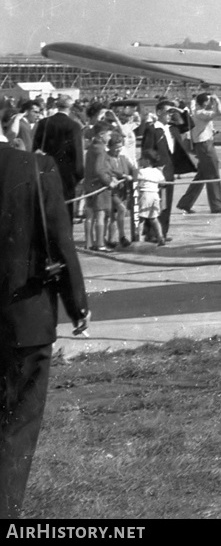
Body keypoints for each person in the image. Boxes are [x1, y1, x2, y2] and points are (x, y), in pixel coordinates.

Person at [1, 143, 90, 517]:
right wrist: (77, 305)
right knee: (17, 424)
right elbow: (60, 238)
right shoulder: (35, 166)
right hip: (25, 315)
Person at [138, 100, 197, 239]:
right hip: (157, 170)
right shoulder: (152, 129)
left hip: (169, 169)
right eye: (167, 112)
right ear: (159, 113)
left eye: (172, 113)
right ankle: (151, 233)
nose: (170, 116)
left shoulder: (172, 128)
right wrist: (152, 167)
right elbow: (147, 150)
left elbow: (190, 124)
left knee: (166, 203)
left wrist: (180, 110)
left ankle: (162, 232)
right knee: (154, 202)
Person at [175, 93, 221, 214]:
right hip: (205, 145)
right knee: (213, 174)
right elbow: (220, 112)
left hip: (202, 144)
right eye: (208, 101)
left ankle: (185, 203)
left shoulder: (196, 110)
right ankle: (216, 205)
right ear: (204, 103)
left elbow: (195, 102)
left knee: (202, 175)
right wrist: (216, 99)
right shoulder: (201, 113)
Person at [31, 96, 84, 214]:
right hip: (67, 173)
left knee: (48, 208)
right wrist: (79, 174)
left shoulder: (44, 123)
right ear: (70, 107)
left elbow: (34, 148)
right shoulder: (73, 126)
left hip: (46, 170)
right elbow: (77, 152)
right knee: (66, 210)